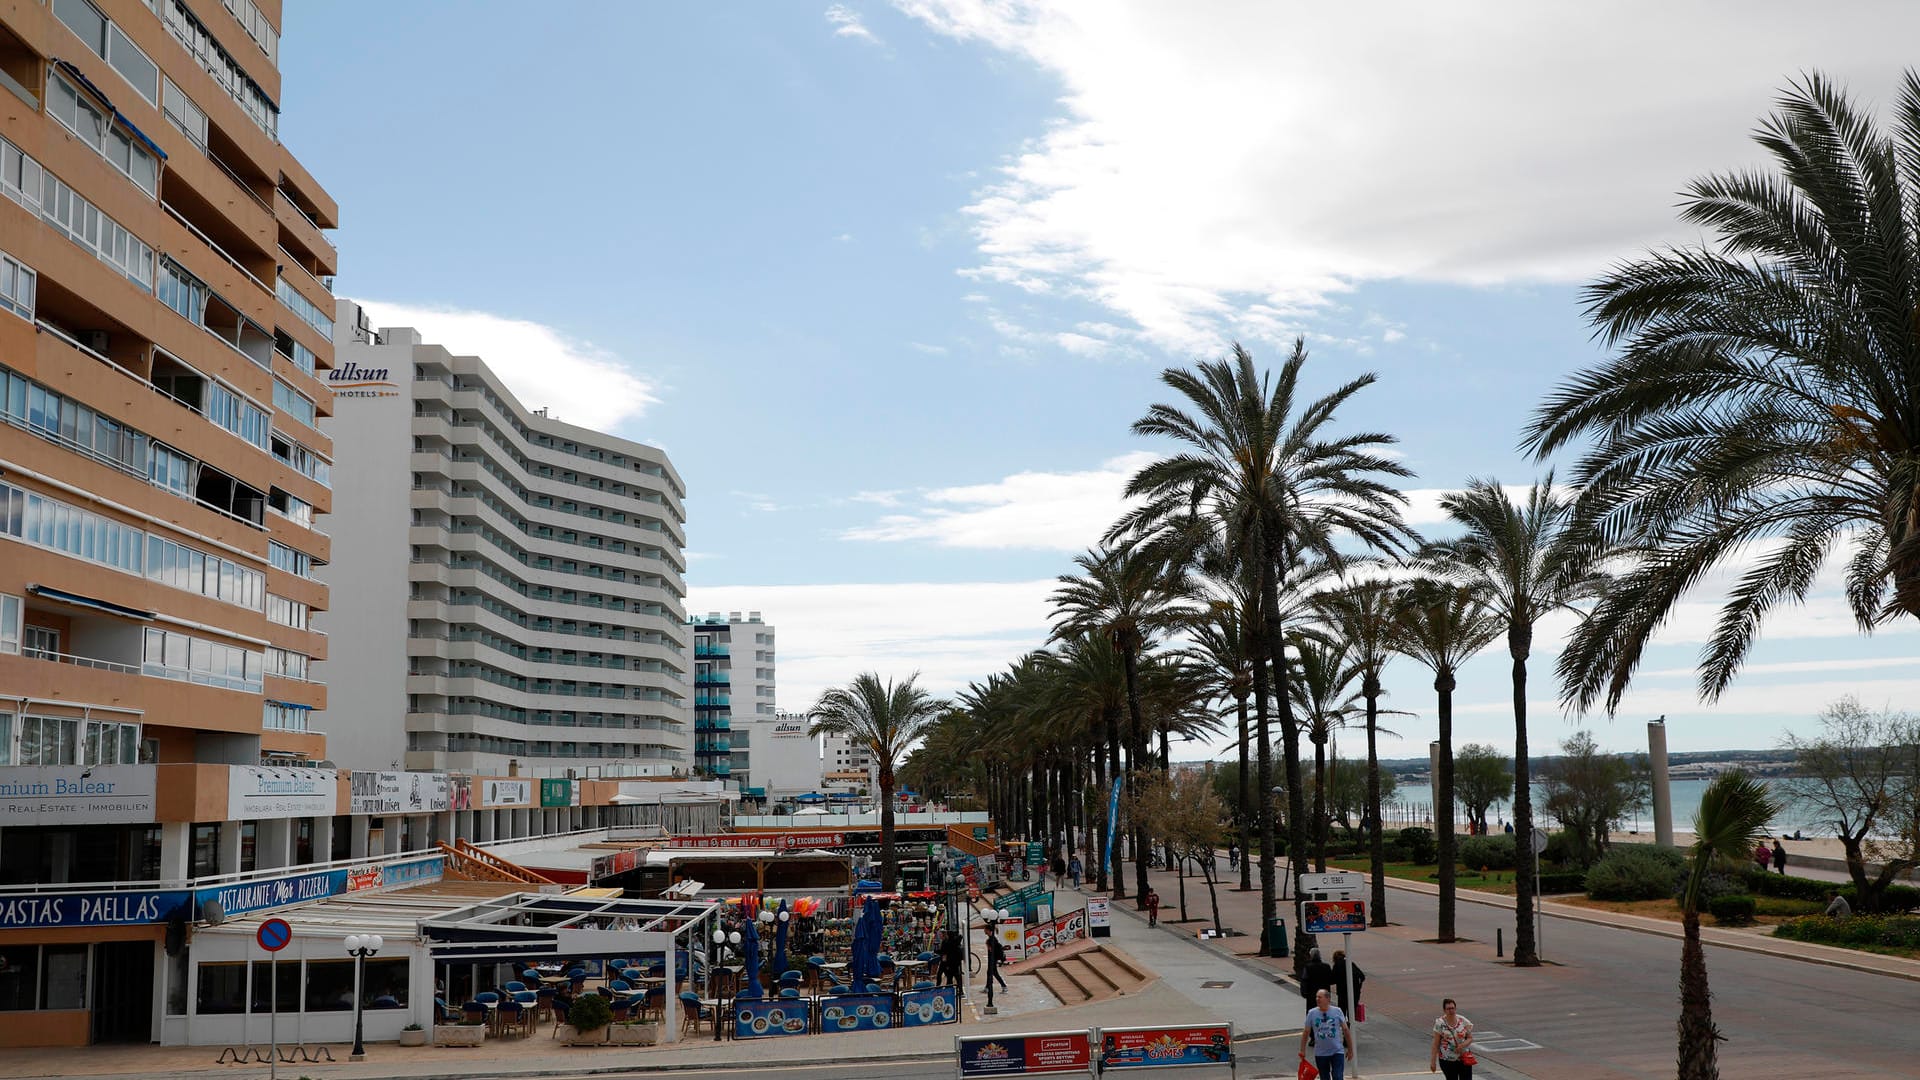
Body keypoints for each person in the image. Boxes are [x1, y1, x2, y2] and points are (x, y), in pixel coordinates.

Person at [1298, 988, 1354, 1080]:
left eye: (1320, 997)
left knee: (1338, 1077)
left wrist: (1350, 1050)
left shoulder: (1337, 1011)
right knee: (1324, 1077)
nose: (1317, 999)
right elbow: (1306, 1032)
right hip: (1321, 1053)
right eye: (1316, 997)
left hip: (1337, 1051)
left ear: (1328, 999)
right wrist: (1302, 1050)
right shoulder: (1312, 1013)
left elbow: (1346, 1030)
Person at [1429, 997, 1474, 1078]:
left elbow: (1470, 1038)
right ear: (1444, 1010)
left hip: (1463, 1057)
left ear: (1455, 1008)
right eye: (1448, 1009)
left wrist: (1462, 1045)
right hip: (1447, 1060)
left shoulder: (1463, 1020)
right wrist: (1433, 1062)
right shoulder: (1440, 1024)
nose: (1451, 1010)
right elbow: (1435, 1044)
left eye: (1452, 1008)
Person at [1331, 948, 1365, 1016]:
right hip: (1355, 992)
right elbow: (1362, 976)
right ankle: (1351, 1025)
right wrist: (1358, 986)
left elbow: (1332, 979)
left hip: (1342, 993)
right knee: (1351, 1012)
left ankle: (1345, 1026)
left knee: (1342, 1012)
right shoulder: (1351, 963)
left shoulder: (1337, 965)